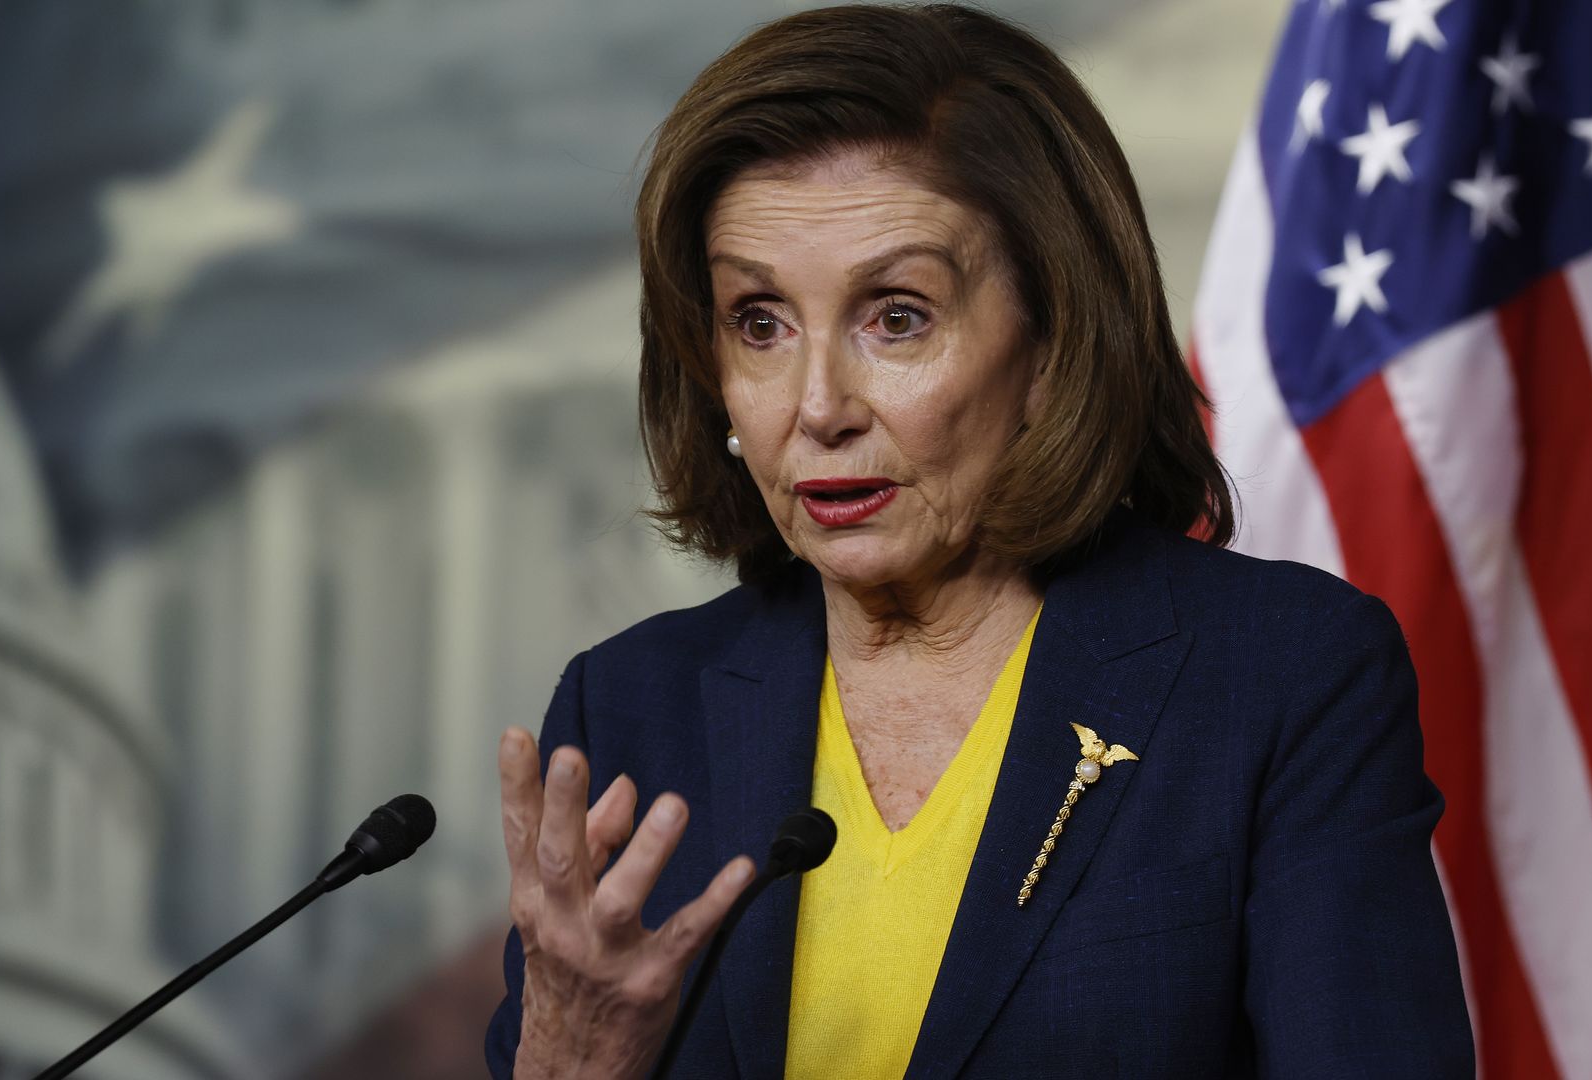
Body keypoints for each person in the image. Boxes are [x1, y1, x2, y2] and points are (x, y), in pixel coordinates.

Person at [485, 4, 1474, 1077]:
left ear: (1053, 344)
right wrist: (567, 1059)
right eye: (759, 322)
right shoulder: (631, 705)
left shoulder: (1281, 679)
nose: (818, 407)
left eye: (896, 315)